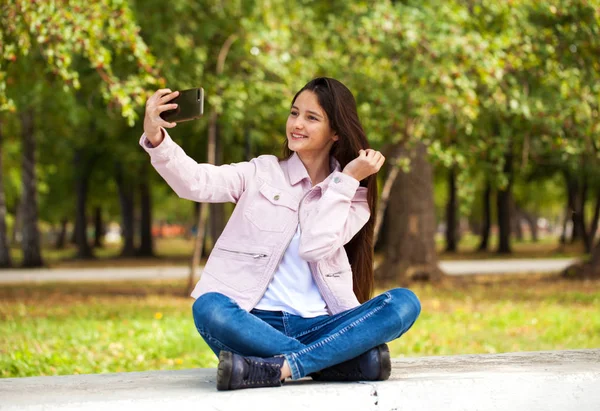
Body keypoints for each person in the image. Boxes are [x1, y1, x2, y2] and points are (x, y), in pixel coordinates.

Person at [140, 77, 421, 391]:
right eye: (294, 113)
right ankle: (329, 363)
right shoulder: (261, 172)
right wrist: (156, 136)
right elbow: (196, 182)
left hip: (323, 326)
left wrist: (345, 180)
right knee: (208, 307)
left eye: (311, 118)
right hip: (254, 323)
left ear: (336, 131)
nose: (296, 124)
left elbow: (314, 246)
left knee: (404, 303)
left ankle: (278, 367)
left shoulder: (351, 196)